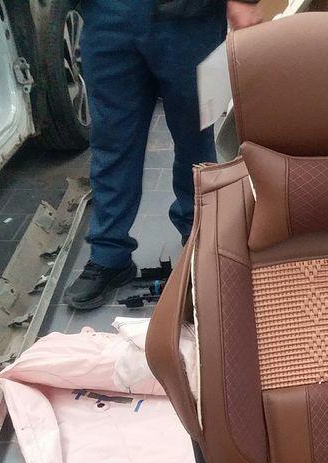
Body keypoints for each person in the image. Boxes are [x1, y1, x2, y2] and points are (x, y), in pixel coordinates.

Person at [65, 0, 262, 310]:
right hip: (107, 15)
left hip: (189, 18)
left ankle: (199, 237)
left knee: (195, 137)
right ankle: (109, 254)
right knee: (112, 140)